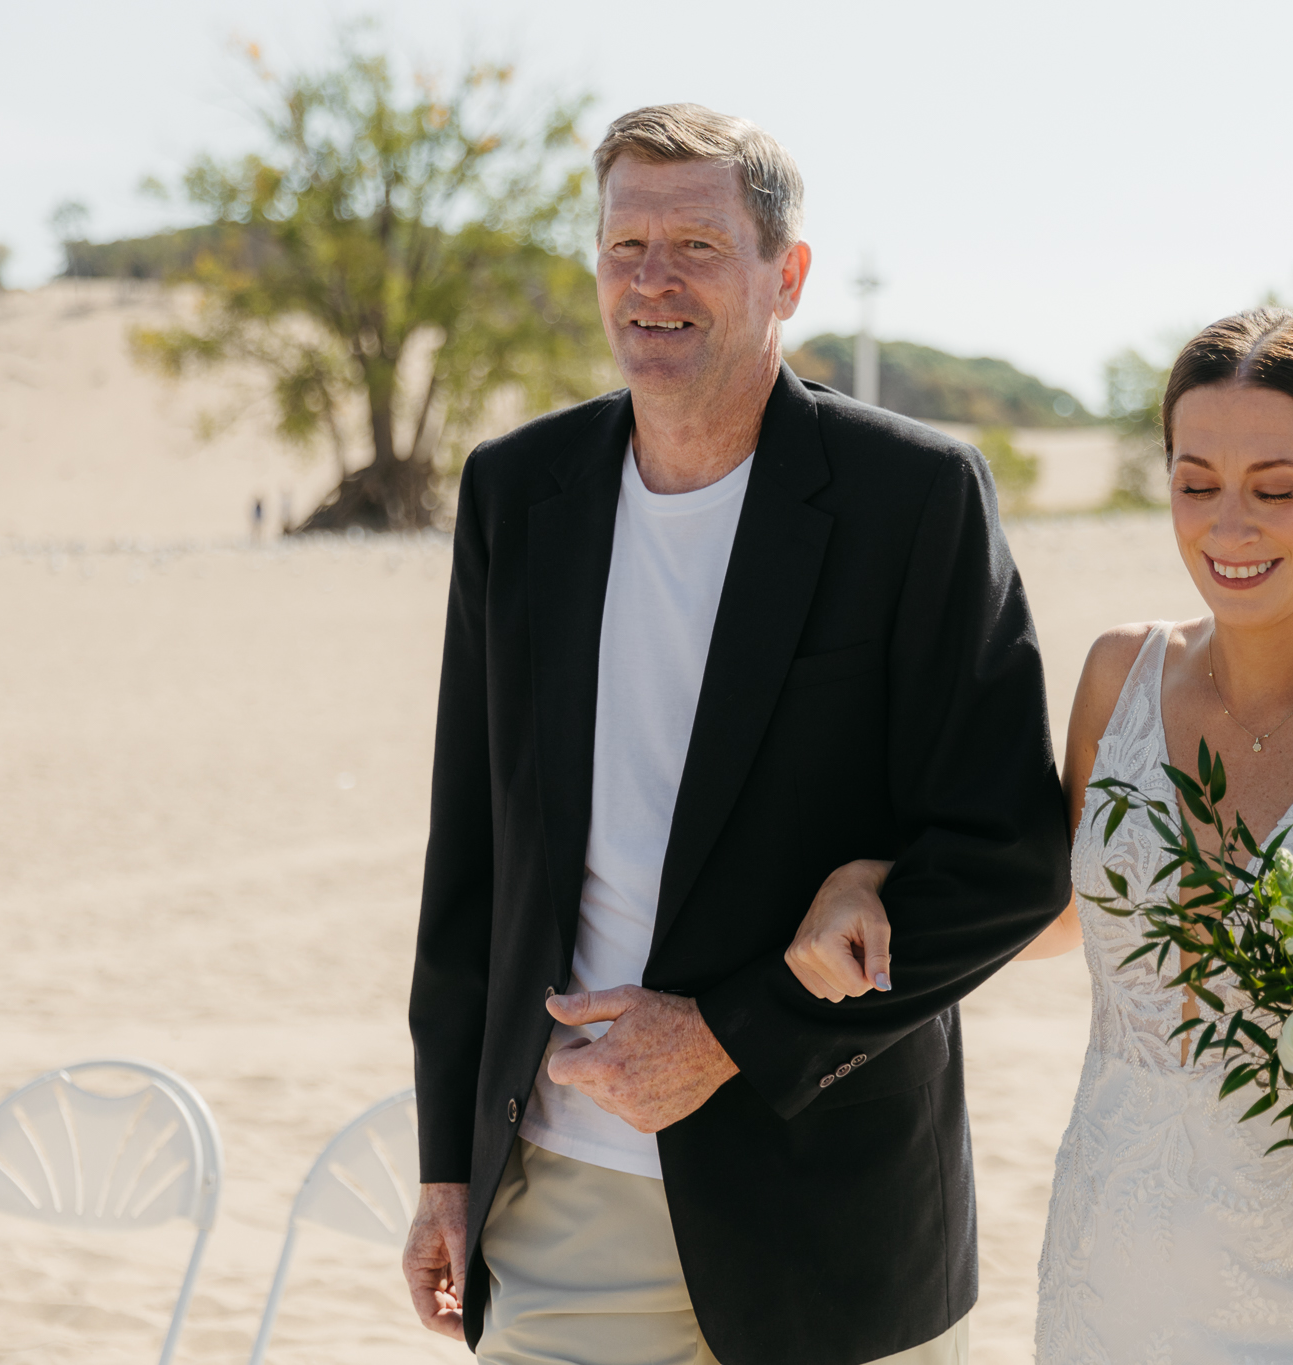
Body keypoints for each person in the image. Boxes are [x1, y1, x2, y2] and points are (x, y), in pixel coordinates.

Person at [787, 309, 1293, 1362]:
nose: (1227, 527)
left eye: (1274, 488)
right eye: (1193, 482)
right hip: (1110, 1273)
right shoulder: (1116, 676)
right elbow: (1057, 911)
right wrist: (868, 880)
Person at [400, 103, 1069, 1365]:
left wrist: (722, 1036)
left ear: (786, 275)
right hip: (562, 1202)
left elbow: (1006, 859)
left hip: (833, 1219)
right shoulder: (514, 491)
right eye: (623, 246)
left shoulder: (912, 497)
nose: (652, 280)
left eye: (696, 247)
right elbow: (472, 858)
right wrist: (449, 1160)